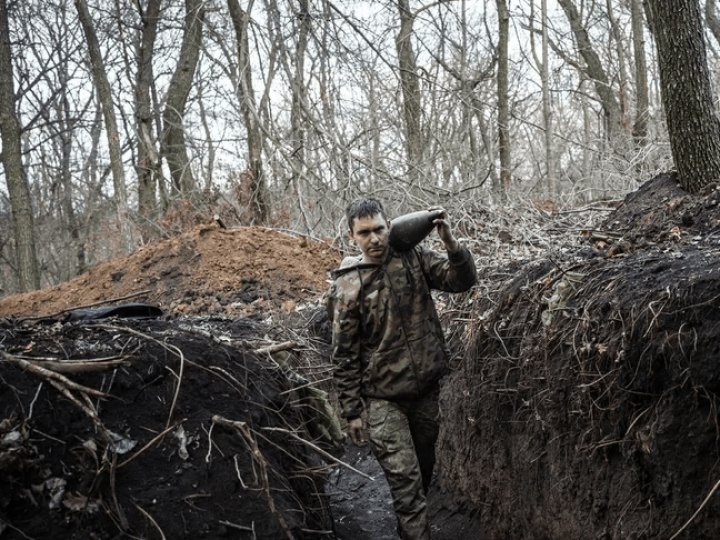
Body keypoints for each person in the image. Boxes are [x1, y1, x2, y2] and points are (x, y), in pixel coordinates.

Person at [329, 198, 477, 539]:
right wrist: (352, 412)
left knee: (422, 477)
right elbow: (343, 354)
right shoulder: (347, 286)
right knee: (407, 487)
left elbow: (461, 281)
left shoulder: (414, 258)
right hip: (383, 402)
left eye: (379, 229)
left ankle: (407, 530)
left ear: (390, 226)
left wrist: (451, 244)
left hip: (425, 393)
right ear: (352, 236)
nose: (374, 239)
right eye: (364, 233)